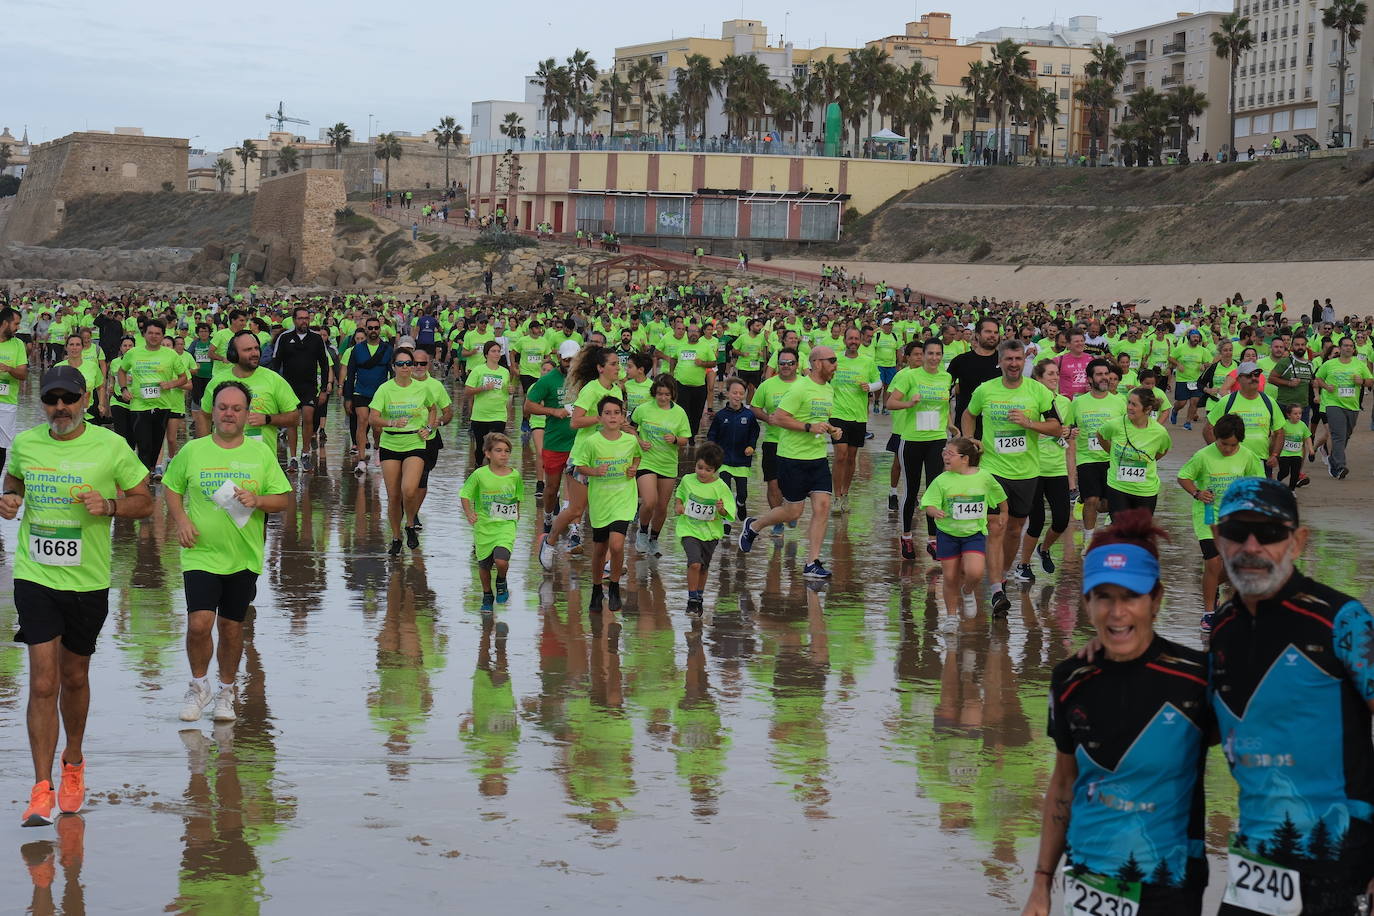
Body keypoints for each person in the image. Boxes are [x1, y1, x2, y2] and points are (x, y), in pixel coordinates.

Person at [1022, 511, 1210, 916]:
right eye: (1103, 596)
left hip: (1170, 887)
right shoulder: (1069, 679)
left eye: (1130, 596)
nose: (1117, 612)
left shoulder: (1197, 680)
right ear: (1087, 602)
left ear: (1156, 600)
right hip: (1087, 882)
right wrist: (1040, 885)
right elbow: (1063, 784)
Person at [1210, 477, 1374, 915]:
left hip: (1341, 861)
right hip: (1256, 860)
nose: (1251, 547)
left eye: (1269, 533)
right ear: (1217, 539)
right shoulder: (1224, 627)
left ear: (1297, 541)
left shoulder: (1343, 621)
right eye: (1235, 532)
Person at [5, 366, 153, 826]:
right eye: (52, 399)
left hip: (88, 581)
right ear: (44, 402)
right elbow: (13, 480)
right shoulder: (27, 444)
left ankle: (73, 762)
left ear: (85, 398)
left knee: (73, 677)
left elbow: (144, 499)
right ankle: (40, 787)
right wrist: (8, 499)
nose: (61, 408)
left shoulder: (111, 447)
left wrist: (109, 506)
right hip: (35, 575)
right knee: (43, 681)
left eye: (69, 398)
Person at [166, 380, 292, 724]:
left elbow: (282, 499)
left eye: (237, 408)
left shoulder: (260, 453)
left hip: (243, 556)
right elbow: (171, 487)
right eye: (223, 407)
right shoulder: (193, 451)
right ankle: (198, 686)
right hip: (200, 553)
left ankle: (225, 690)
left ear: (247, 414)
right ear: (213, 411)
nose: (229, 414)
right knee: (199, 623)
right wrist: (180, 520)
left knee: (232, 628)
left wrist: (259, 500)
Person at [962, 338, 1063, 615]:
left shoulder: (1038, 391)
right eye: (1009, 359)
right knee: (995, 526)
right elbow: (968, 414)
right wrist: (970, 439)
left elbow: (1057, 427)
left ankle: (1001, 576)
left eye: (1018, 359)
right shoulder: (986, 390)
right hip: (993, 470)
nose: (1014, 364)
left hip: (1027, 472)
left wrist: (1029, 423)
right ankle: (996, 589)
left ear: (1024, 362)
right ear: (1000, 361)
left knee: (1015, 529)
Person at [738, 346, 843, 580]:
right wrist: (808, 427)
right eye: (832, 361)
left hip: (817, 457)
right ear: (817, 363)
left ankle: (811, 562)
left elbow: (821, 420)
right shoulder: (799, 388)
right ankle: (754, 525)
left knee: (823, 507)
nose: (836, 365)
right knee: (792, 511)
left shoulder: (827, 389)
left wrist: (833, 429)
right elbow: (778, 418)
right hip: (792, 457)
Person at [1177, 413, 1264, 629]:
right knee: (1213, 562)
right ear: (1216, 437)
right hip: (1208, 516)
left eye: (1232, 445)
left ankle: (1210, 585)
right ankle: (1208, 612)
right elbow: (1183, 476)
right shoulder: (1203, 456)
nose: (1227, 449)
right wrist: (1197, 493)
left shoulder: (1248, 456)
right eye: (1223, 443)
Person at [540, 345, 621, 570]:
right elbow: (575, 422)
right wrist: (601, 418)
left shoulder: (616, 391)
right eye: (613, 364)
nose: (618, 368)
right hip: (582, 458)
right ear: (600, 368)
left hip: (606, 459)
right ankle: (550, 540)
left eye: (618, 363)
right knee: (576, 510)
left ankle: (606, 563)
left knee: (605, 510)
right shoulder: (591, 390)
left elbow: (615, 425)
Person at [921, 438, 1006, 631]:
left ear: (965, 459)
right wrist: (934, 511)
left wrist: (1004, 512)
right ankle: (951, 616)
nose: (945, 457)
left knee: (975, 572)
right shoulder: (941, 480)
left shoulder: (983, 477)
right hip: (948, 534)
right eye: (944, 453)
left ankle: (967, 591)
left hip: (973, 534)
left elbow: (999, 495)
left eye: (950, 454)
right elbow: (928, 504)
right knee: (950, 577)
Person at [569, 395, 641, 612]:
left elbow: (637, 457)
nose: (612, 417)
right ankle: (596, 588)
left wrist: (633, 469)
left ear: (623, 417)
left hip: (624, 498)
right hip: (600, 500)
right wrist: (595, 471)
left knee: (617, 545)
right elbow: (579, 466)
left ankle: (615, 586)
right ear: (600, 418)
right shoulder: (592, 442)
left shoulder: (630, 440)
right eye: (607, 413)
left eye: (616, 413)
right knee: (600, 549)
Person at [369, 346, 439, 556]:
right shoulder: (385, 389)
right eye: (401, 364)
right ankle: (396, 537)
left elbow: (433, 409)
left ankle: (409, 524)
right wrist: (391, 421)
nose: (406, 367)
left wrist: (428, 427)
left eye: (409, 363)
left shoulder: (421, 388)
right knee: (393, 496)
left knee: (409, 490)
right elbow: (373, 417)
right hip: (391, 444)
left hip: (415, 444)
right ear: (393, 367)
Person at [888, 338, 952, 561]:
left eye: (938, 354)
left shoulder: (946, 377)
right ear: (923, 355)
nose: (934, 358)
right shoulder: (909, 376)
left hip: (937, 439)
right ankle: (906, 537)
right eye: (930, 354)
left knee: (935, 490)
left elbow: (944, 407)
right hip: (912, 439)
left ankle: (933, 540)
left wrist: (951, 425)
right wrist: (908, 403)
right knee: (912, 490)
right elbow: (890, 403)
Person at [1017, 359, 1072, 581]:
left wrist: (1067, 433)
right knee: (1036, 520)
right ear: (1038, 378)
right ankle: (1023, 564)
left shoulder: (1065, 402)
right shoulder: (1028, 401)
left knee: (1062, 520)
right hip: (1033, 468)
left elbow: (1066, 432)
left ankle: (1045, 548)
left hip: (1056, 467)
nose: (1054, 377)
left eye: (1056, 373)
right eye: (1049, 374)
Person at [460, 432, 524, 624]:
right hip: (484, 527)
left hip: (505, 526)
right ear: (487, 453)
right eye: (498, 451)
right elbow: (465, 494)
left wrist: (516, 514)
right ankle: (487, 595)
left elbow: (518, 496)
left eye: (507, 451)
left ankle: (502, 581)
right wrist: (469, 513)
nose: (503, 455)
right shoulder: (479, 474)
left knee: (501, 561)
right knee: (484, 566)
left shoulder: (514, 475)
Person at [195, 330, 299, 443]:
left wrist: (268, 419)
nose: (255, 353)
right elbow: (204, 416)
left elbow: (294, 418)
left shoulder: (274, 379)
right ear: (233, 354)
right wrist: (204, 447)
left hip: (261, 458)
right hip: (225, 457)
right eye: (248, 350)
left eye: (256, 348)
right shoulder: (217, 381)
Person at [1065, 358, 1126, 550]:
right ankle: (1089, 540)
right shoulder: (1078, 402)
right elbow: (1066, 428)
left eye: (1106, 374)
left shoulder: (1120, 402)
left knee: (1107, 505)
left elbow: (1128, 429)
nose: (1104, 378)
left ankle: (1084, 502)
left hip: (1113, 458)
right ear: (1090, 379)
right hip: (1087, 458)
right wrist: (1069, 432)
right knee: (1092, 499)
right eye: (1099, 374)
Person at [118, 319, 189, 474]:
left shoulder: (171, 355)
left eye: (158, 334)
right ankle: (143, 478)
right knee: (144, 445)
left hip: (162, 405)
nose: (154, 336)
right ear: (144, 334)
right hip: (139, 405)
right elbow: (121, 371)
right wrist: (124, 389)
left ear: (163, 335)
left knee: (156, 447)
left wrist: (171, 384)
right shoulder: (133, 353)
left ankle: (149, 472)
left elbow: (184, 378)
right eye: (150, 333)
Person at [630, 375, 690, 557]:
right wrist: (639, 441)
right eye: (659, 394)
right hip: (647, 461)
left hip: (668, 464)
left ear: (672, 394)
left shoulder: (679, 413)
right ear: (654, 393)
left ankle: (654, 539)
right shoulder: (643, 409)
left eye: (666, 394)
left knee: (662, 507)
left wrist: (675, 440)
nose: (663, 398)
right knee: (650, 501)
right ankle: (642, 531)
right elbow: (629, 428)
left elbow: (685, 440)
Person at [673, 442, 736, 617]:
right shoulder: (687, 480)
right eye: (699, 467)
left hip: (710, 533)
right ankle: (692, 599)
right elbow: (680, 495)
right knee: (694, 563)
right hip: (689, 530)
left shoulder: (721, 486)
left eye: (708, 470)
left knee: (703, 567)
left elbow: (728, 512)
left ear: (715, 470)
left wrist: (722, 509)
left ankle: (699, 596)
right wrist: (678, 505)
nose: (702, 472)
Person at [525, 341, 578, 537]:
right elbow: (528, 406)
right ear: (559, 359)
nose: (569, 364)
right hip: (555, 442)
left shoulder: (586, 380)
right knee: (552, 487)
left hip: (578, 444)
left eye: (573, 360)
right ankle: (548, 516)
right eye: (566, 360)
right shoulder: (548, 380)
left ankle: (574, 527)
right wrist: (553, 411)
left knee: (576, 487)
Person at [273, 306, 333, 472]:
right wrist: (274, 389)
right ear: (294, 320)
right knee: (292, 421)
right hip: (289, 387)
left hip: (309, 386)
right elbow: (275, 364)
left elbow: (325, 364)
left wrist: (323, 390)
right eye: (300, 318)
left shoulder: (316, 339)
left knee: (308, 417)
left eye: (307, 318)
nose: (304, 321)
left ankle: (305, 453)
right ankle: (292, 457)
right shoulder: (284, 338)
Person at [1096, 387, 1171, 518]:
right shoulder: (1114, 425)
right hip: (1118, 486)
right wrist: (1112, 452)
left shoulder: (1159, 432)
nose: (1129, 407)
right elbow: (1101, 435)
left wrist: (1144, 460)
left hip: (1146, 489)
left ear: (1147, 409)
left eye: (1134, 404)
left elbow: (1162, 451)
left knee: (1140, 534)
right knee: (1120, 531)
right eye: (1129, 402)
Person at [829, 327, 881, 511]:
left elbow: (879, 382)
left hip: (858, 416)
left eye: (856, 338)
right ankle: (836, 497)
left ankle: (845, 493)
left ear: (860, 341)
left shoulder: (868, 362)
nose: (853, 341)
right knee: (840, 455)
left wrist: (870, 386)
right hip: (837, 414)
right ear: (844, 340)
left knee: (852, 458)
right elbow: (823, 378)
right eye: (850, 338)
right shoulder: (835, 359)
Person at [750, 346, 799, 536]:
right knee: (773, 484)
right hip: (772, 441)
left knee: (793, 484)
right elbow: (754, 407)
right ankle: (777, 519)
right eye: (782, 363)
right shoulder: (767, 385)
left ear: (797, 365)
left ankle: (791, 511)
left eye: (790, 363)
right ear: (777, 364)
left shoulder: (804, 384)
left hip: (796, 442)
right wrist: (765, 417)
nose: (786, 366)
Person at [705, 377, 759, 535]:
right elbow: (712, 435)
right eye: (734, 392)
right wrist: (712, 450)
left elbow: (754, 433)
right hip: (725, 461)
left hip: (742, 461)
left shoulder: (749, 415)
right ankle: (726, 521)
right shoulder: (721, 416)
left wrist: (751, 446)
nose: (737, 396)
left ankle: (740, 503)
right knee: (726, 491)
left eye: (741, 393)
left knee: (742, 493)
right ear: (728, 394)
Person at [1312, 337, 1369, 479]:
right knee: (1337, 435)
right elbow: (1318, 378)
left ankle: (1332, 458)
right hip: (1333, 404)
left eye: (1350, 346)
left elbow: (1370, 380)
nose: (1348, 348)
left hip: (1352, 405)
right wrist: (1326, 387)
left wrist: (1361, 381)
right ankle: (1339, 467)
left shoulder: (1359, 364)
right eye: (1345, 345)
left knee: (1346, 435)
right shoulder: (1330, 364)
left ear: (1354, 349)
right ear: (1341, 347)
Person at [344, 317, 392, 474]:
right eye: (370, 328)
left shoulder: (387, 348)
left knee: (377, 427)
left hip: (380, 394)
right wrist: (348, 397)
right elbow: (350, 374)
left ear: (380, 329)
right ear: (365, 330)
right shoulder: (357, 350)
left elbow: (393, 373)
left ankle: (377, 448)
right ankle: (362, 459)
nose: (373, 331)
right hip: (360, 392)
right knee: (362, 422)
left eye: (376, 328)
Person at [465, 340, 511, 468]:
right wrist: (483, 388)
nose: (497, 354)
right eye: (493, 351)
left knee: (497, 446)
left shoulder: (505, 372)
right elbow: (467, 391)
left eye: (498, 351)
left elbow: (506, 392)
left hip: (499, 415)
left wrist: (510, 390)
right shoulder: (478, 370)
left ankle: (493, 472)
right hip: (480, 415)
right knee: (481, 447)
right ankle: (478, 468)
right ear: (486, 354)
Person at [0, 305, 29, 471]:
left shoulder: (18, 344)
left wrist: (8, 368)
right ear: (5, 323)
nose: (18, 328)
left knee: (1, 447)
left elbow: (23, 374)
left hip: (7, 404)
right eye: (16, 324)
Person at [1274, 401, 1314, 490]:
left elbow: (1307, 437)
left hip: (1297, 454)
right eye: (1295, 413)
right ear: (1288, 415)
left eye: (1300, 413)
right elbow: (1277, 435)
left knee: (1295, 473)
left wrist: (1311, 449)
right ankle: (1277, 480)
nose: (1298, 415)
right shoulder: (1284, 424)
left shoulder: (1302, 425)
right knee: (1285, 472)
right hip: (1284, 453)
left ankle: (1291, 490)